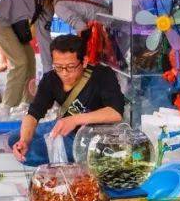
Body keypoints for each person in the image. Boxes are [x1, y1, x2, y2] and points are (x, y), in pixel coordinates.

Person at [9, 34, 125, 166]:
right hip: (65, 127)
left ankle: (81, 158)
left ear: (84, 61)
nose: (64, 73)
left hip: (92, 137)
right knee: (16, 139)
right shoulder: (50, 79)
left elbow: (115, 113)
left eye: (70, 66)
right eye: (58, 67)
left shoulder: (103, 75)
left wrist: (75, 120)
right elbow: (33, 113)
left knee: (32, 153)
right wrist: (24, 140)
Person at [31, 0, 107, 70]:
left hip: (106, 27)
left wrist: (78, 56)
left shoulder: (59, 6)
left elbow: (82, 28)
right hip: (111, 16)